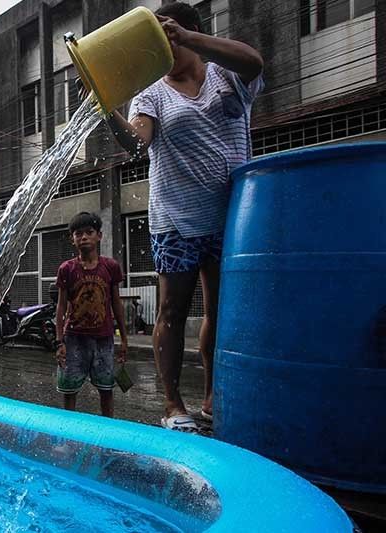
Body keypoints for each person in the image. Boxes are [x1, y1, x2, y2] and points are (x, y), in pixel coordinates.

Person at [97, 2, 263, 430]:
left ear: (188, 31)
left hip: (229, 214)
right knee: (171, 309)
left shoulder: (225, 74)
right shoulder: (152, 93)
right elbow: (136, 145)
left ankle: (211, 395)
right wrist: (107, 108)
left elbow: (254, 61)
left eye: (165, 36)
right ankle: (173, 404)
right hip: (176, 218)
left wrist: (186, 38)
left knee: (220, 310)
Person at [54, 212, 128, 418]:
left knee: (106, 389)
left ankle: (109, 431)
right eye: (78, 233)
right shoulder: (67, 269)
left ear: (99, 236)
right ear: (73, 239)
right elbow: (60, 308)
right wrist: (59, 342)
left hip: (104, 339)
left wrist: (123, 338)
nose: (84, 237)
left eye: (89, 232)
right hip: (74, 339)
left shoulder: (110, 267)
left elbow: (116, 303)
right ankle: (67, 435)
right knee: (69, 390)